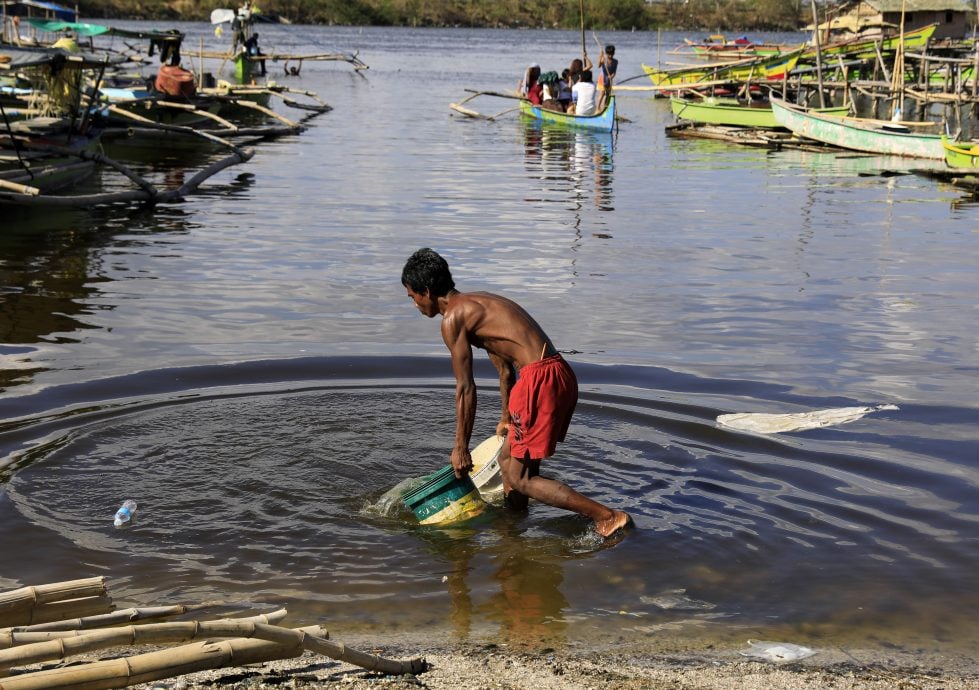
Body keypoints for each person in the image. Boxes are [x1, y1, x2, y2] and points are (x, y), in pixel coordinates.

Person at [401, 248, 632, 539]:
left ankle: (607, 517)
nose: (415, 304)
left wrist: (461, 447)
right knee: (507, 462)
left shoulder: (453, 319)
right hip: (556, 372)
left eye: (412, 297)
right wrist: (507, 418)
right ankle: (514, 529)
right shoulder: (479, 303)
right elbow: (505, 370)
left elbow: (465, 388)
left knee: (520, 478)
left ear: (426, 290)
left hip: (539, 380)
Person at [596, 44, 617, 111]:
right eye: (609, 54)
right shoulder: (604, 60)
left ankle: (604, 108)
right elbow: (598, 66)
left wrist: (612, 76)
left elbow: (614, 72)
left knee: (608, 95)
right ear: (606, 53)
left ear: (613, 53)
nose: (610, 56)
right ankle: (598, 108)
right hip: (603, 78)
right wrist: (600, 56)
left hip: (609, 80)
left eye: (612, 54)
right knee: (602, 93)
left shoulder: (615, 62)